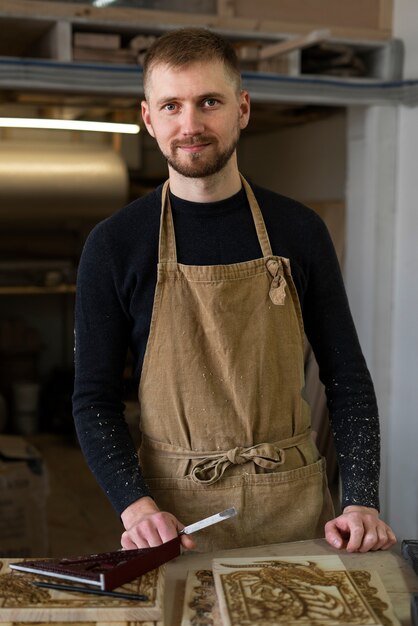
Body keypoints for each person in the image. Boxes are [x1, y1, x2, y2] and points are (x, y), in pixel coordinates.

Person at [73, 27, 396, 554]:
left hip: (294, 505)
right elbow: (93, 400)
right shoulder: (114, 245)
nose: (191, 124)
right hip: (174, 516)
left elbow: (347, 378)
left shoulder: (299, 230)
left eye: (209, 102)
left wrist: (361, 499)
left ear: (242, 108)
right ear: (148, 118)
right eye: (172, 106)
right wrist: (136, 507)